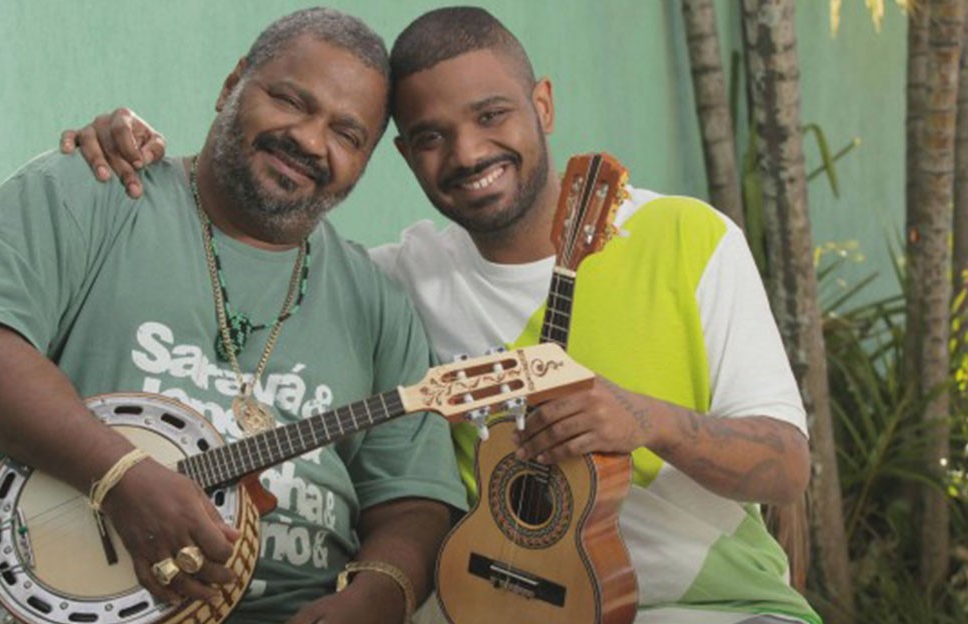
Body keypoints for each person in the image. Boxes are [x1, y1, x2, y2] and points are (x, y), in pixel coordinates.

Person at [63, 7, 821, 624]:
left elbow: (787, 468)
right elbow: (256, 241)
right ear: (400, 155)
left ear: (543, 105)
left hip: (703, 607)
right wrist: (130, 154)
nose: (466, 152)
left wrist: (646, 420)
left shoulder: (687, 240)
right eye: (430, 137)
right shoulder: (393, 282)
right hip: (492, 607)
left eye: (491, 115)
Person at [0, 8, 467, 624]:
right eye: (290, 101)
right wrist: (119, 477)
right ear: (232, 86)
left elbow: (412, 502)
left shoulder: (378, 301)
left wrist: (378, 597)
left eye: (346, 134)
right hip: (48, 609)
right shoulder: (92, 189)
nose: (311, 141)